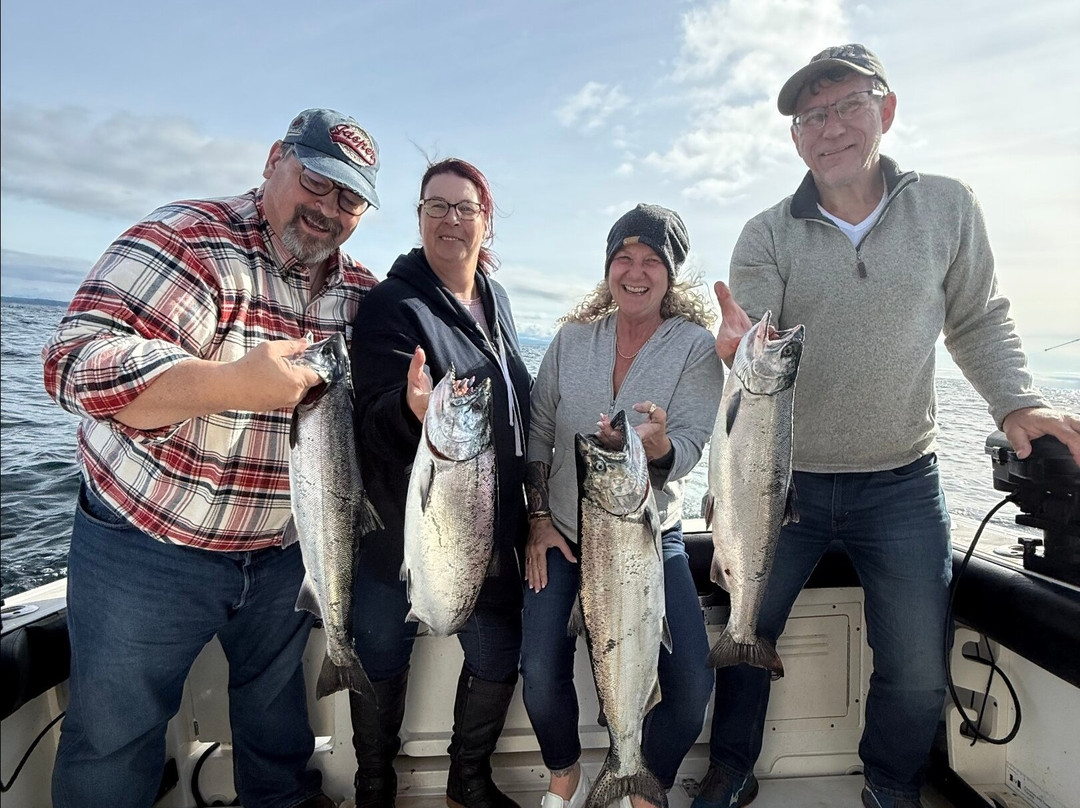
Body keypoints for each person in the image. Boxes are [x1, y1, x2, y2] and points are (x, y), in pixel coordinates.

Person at [691, 45, 1080, 808]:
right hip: (782, 483)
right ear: (796, 138)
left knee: (916, 666)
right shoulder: (766, 233)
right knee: (744, 634)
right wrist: (739, 350)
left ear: (886, 110)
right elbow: (755, 337)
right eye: (810, 117)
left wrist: (1016, 402)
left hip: (903, 480)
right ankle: (730, 769)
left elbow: (978, 318)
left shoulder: (946, 206)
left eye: (845, 106)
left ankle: (891, 786)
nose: (828, 127)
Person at [40, 108, 381, 808]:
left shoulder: (359, 293)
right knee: (113, 737)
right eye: (316, 182)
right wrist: (231, 384)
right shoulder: (189, 242)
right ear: (272, 160)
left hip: (289, 551)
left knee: (276, 721)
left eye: (348, 199)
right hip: (146, 552)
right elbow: (73, 363)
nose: (328, 210)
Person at [521, 204, 724, 808]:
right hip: (561, 533)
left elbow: (689, 444)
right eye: (623, 259)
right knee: (538, 674)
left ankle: (639, 779)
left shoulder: (695, 348)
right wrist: (535, 519)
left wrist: (660, 447)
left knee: (689, 685)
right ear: (608, 267)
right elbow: (537, 431)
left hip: (645, 539)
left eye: (652, 262)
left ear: (671, 274)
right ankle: (565, 778)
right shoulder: (571, 339)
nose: (636, 273)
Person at [347, 158, 531, 808]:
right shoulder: (390, 305)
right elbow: (373, 422)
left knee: (497, 653)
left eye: (464, 207)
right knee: (379, 664)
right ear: (420, 215)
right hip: (401, 535)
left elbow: (516, 407)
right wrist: (410, 410)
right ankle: (375, 787)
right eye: (436, 206)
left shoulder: (497, 300)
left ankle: (468, 780)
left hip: (488, 530)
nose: (451, 219)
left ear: (486, 220)